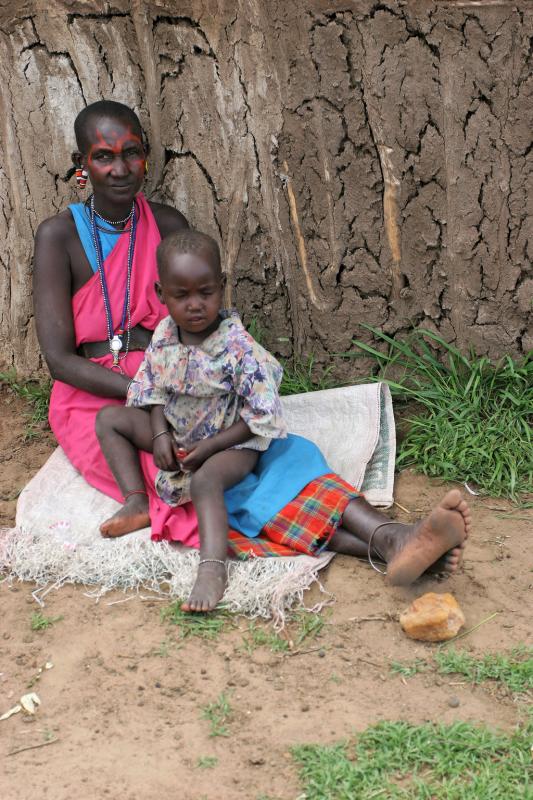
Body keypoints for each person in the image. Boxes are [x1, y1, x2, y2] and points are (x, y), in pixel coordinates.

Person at [34, 99, 470, 614]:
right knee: (203, 489)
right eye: (104, 156)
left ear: (148, 157)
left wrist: (211, 394)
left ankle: (394, 539)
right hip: (100, 396)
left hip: (187, 379)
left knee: (274, 451)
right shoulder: (57, 236)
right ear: (81, 164)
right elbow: (60, 360)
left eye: (132, 152)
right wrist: (154, 405)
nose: (121, 168)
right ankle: (390, 543)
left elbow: (201, 322)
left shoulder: (168, 222)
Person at [95, 229, 289, 609]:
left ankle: (213, 567)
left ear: (222, 286)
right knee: (109, 420)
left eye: (206, 292)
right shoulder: (166, 334)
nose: (195, 305)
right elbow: (151, 389)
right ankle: (136, 503)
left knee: (205, 480)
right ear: (160, 295)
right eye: (181, 296)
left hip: (231, 439)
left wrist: (212, 446)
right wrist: (159, 435)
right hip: (180, 430)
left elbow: (260, 415)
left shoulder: (237, 347)